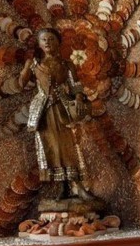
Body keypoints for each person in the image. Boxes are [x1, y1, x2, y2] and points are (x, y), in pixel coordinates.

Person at [20, 28, 98, 206]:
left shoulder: (66, 64)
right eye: (44, 39)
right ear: (39, 44)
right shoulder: (35, 65)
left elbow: (75, 85)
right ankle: (64, 188)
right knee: (52, 149)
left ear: (58, 42)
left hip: (62, 110)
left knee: (68, 147)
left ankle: (79, 187)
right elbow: (21, 84)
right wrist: (26, 68)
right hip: (44, 113)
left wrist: (79, 98)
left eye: (51, 39)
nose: (47, 42)